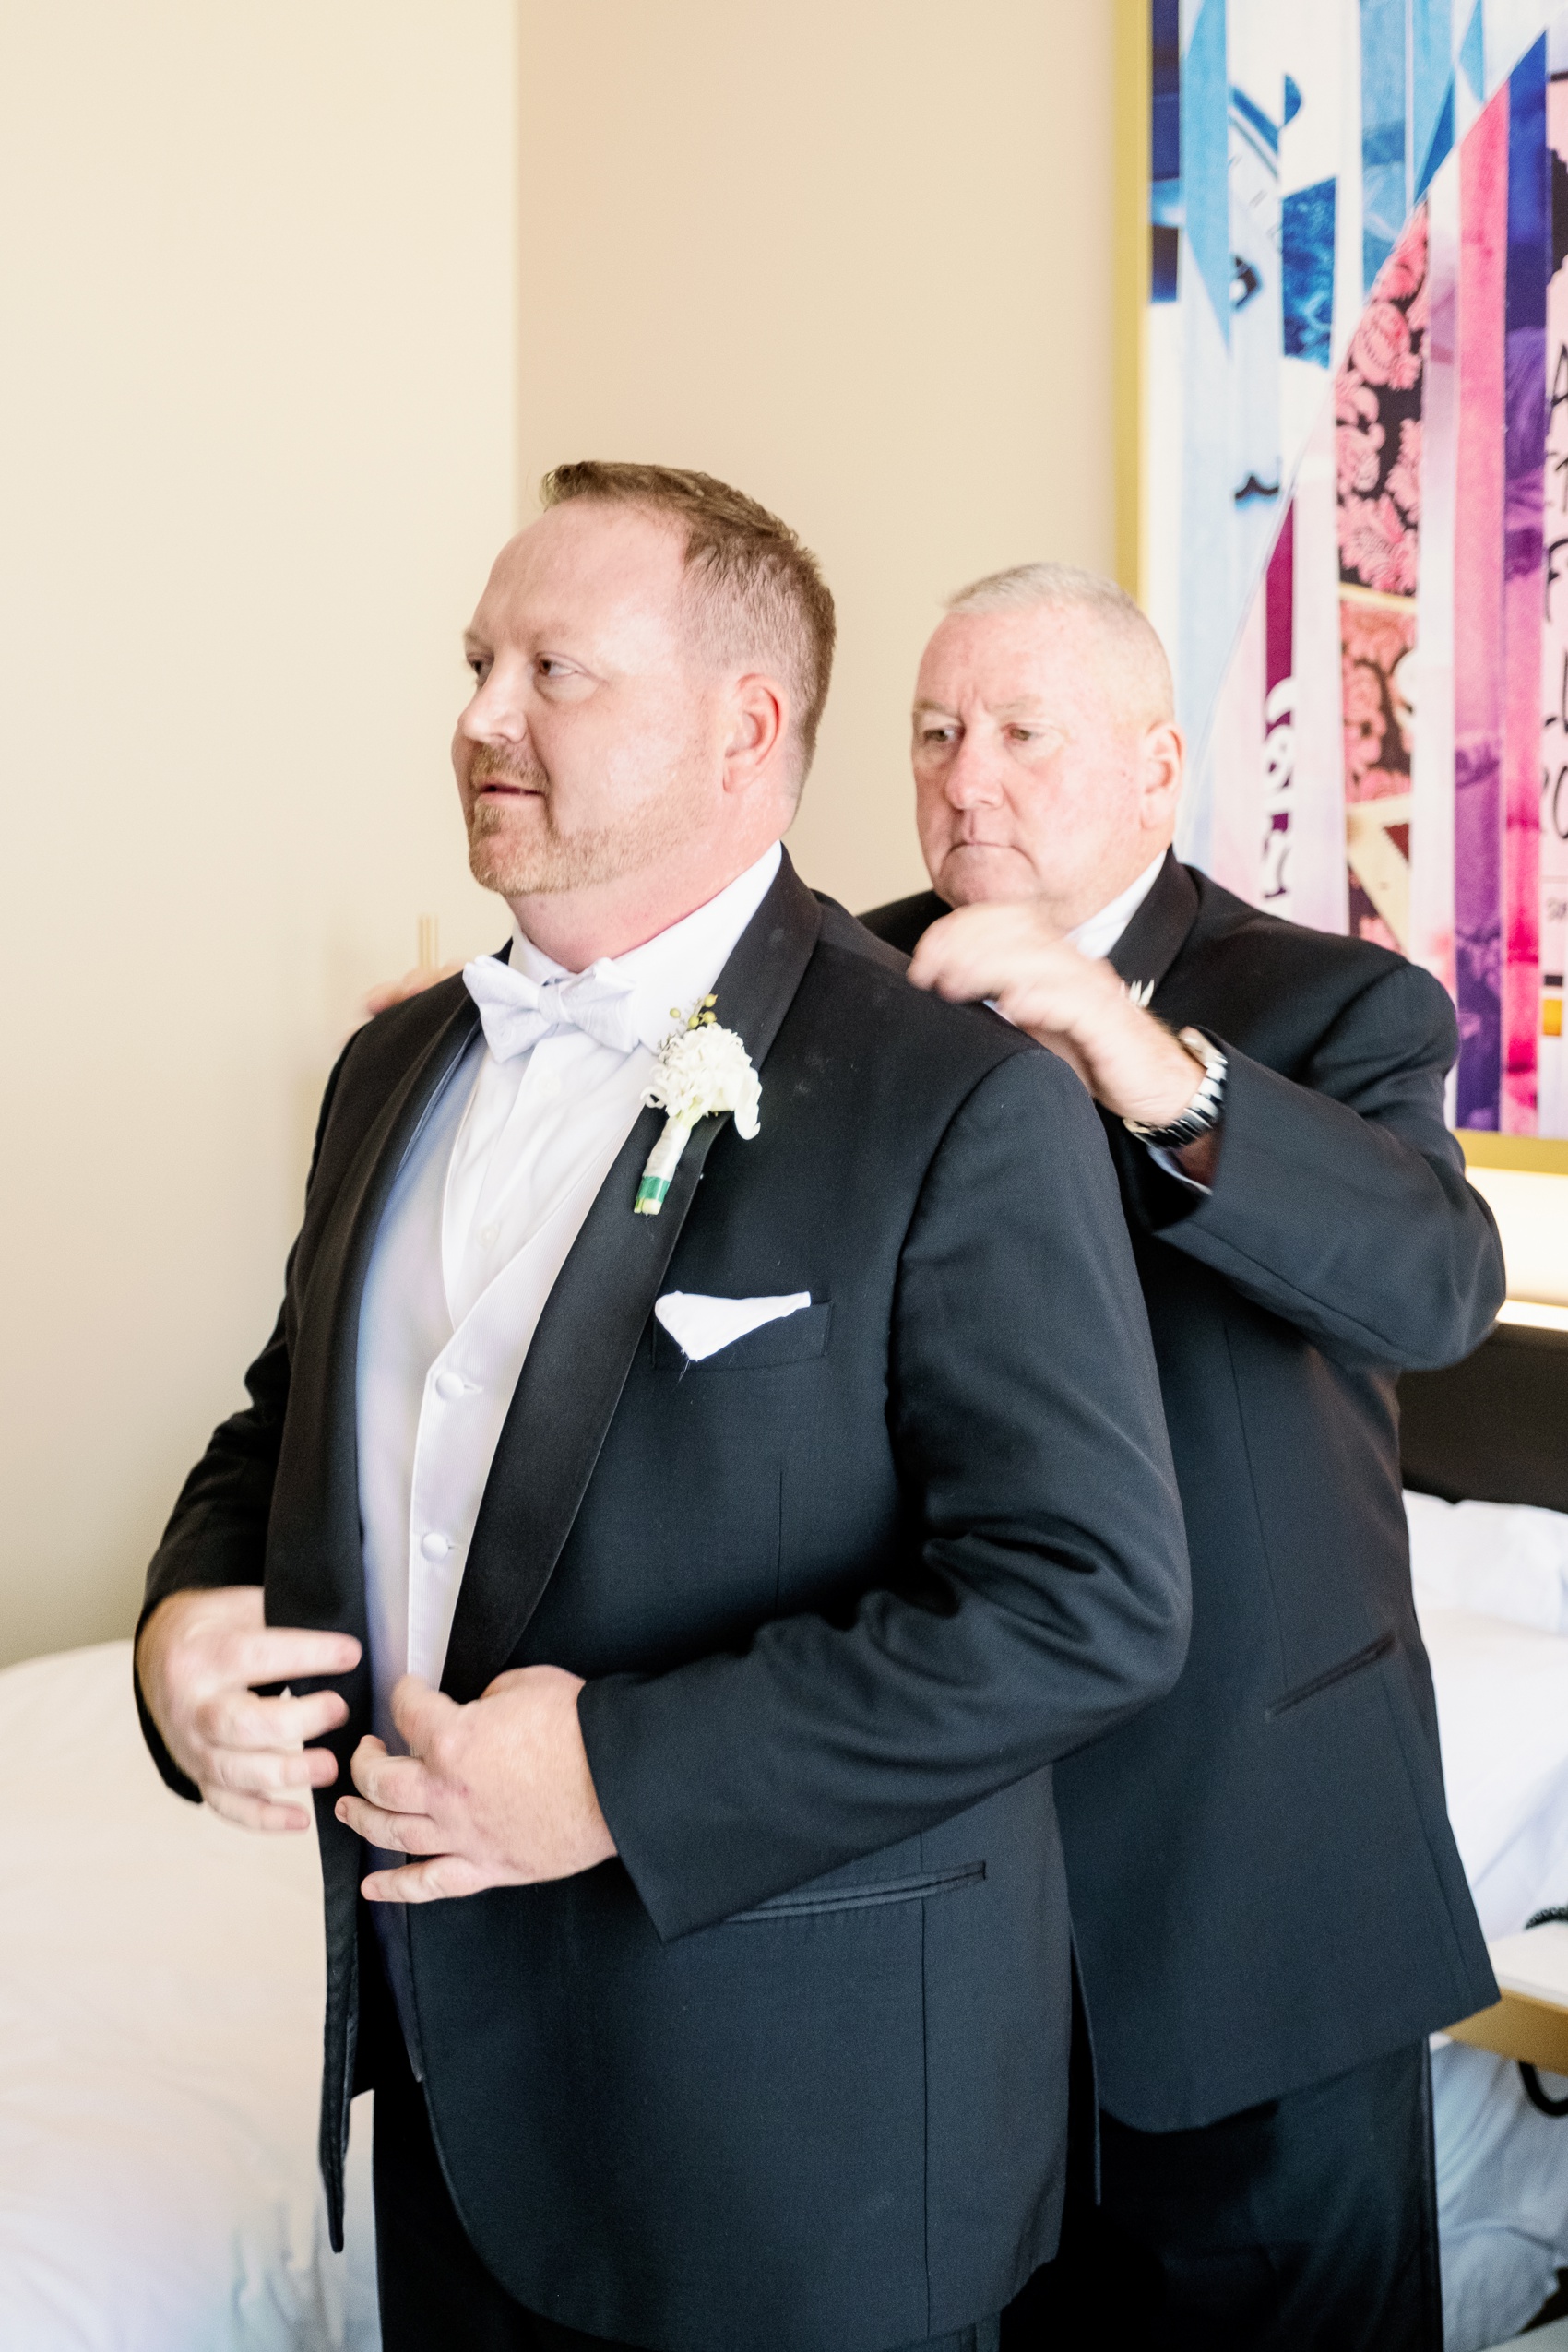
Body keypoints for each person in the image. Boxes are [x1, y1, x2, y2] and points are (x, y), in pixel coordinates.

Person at [133, 474, 1192, 2352]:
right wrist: (184, 1622)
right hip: (441, 2108)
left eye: (555, 669)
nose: (476, 717)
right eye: (476, 665)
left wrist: (621, 1771)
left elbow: (1085, 1603)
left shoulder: (949, 1096)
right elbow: (286, 1424)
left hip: (791, 2149)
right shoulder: (395, 1065)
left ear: (745, 727)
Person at [861, 561, 1506, 2351]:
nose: (963, 778)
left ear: (1154, 772)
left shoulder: (1335, 1006)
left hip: (1255, 1886)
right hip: (930, 1888)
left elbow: (1433, 1287)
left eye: (1017, 734)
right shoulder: (841, 991)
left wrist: (1125, 1050)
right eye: (933, 733)